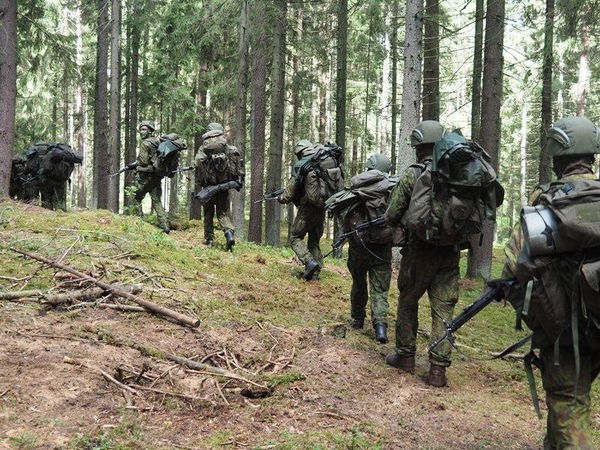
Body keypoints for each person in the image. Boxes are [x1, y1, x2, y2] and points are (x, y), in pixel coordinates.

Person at [502, 116, 600, 448]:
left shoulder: (545, 201)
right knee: (570, 402)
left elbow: (512, 263)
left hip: (564, 331)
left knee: (570, 407)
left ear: (557, 157)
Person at [383, 120, 459, 387]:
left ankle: (405, 356)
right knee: (443, 309)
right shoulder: (457, 173)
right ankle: (438, 370)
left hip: (419, 252)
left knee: (408, 300)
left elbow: (392, 213)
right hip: (450, 252)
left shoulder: (414, 174)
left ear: (419, 148)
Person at [344, 154, 394, 344]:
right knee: (380, 289)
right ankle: (380, 326)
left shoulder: (356, 187)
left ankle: (357, 319)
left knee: (358, 282)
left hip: (358, 246)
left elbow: (346, 216)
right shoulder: (390, 188)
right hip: (382, 247)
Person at [278, 140, 324, 280]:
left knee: (295, 238)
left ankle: (309, 262)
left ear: (299, 152)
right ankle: (315, 273)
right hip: (321, 207)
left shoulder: (302, 164)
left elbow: (289, 193)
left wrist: (281, 199)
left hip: (307, 210)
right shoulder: (321, 161)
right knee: (314, 241)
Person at [195, 122, 244, 251]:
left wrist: (200, 183)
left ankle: (209, 240)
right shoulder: (226, 146)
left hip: (208, 186)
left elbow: (197, 165)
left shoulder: (204, 147)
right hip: (224, 186)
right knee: (223, 214)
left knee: (208, 214)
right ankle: (229, 234)